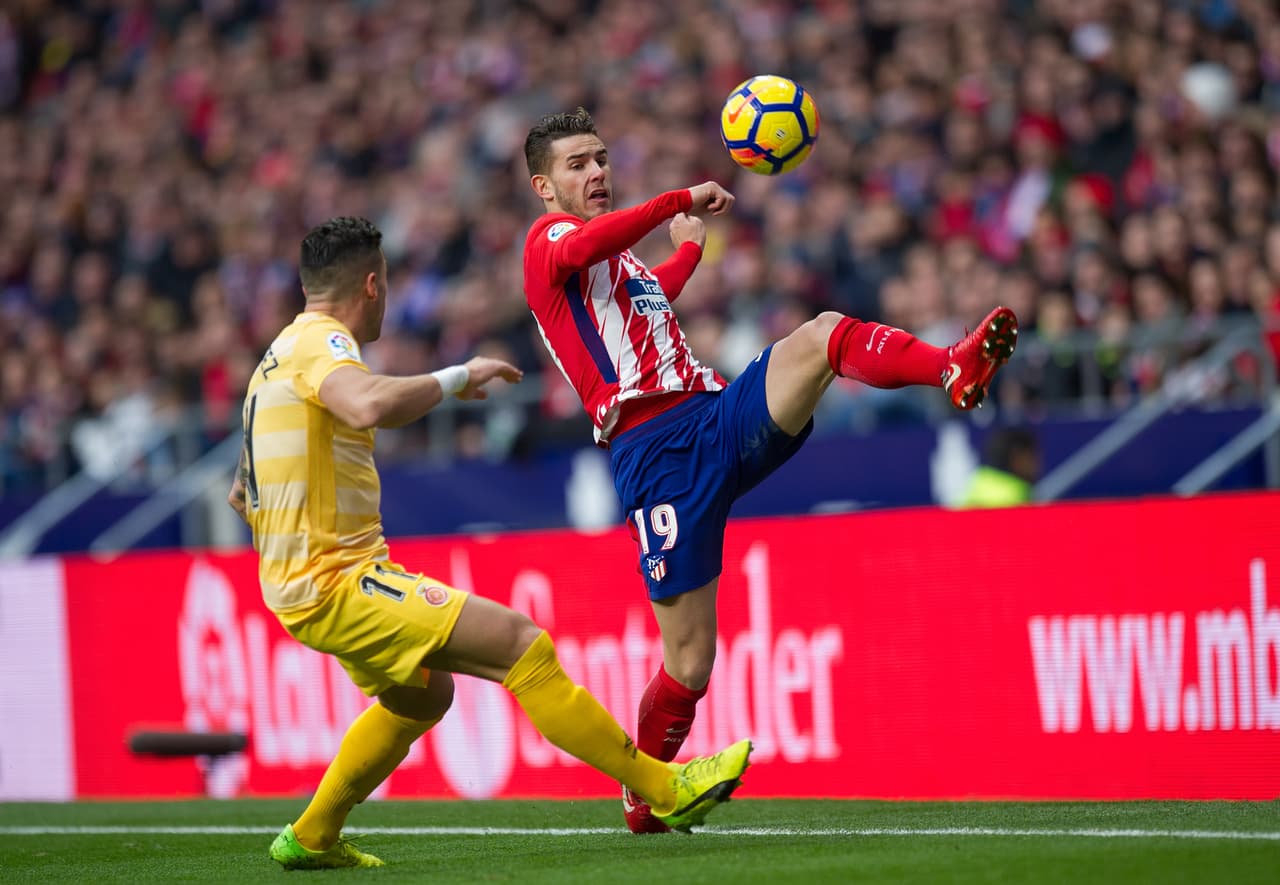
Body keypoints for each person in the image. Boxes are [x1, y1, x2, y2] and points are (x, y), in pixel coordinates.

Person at [521, 109, 1018, 833]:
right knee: (690, 661)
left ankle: (952, 365)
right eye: (577, 165)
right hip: (654, 457)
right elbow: (591, 244)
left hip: (712, 415)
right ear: (544, 186)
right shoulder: (549, 243)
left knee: (819, 336)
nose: (596, 172)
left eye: (600, 158)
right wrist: (677, 203)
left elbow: (644, 304)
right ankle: (645, 791)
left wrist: (686, 256)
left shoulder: (614, 264)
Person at [229, 216, 753, 870]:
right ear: (371, 284)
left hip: (305, 580)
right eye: (386, 285)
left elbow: (239, 492)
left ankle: (312, 833)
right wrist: (456, 379)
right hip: (334, 580)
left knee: (423, 694)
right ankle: (664, 787)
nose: (387, 298)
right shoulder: (323, 342)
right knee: (519, 644)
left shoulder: (272, 359)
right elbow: (363, 404)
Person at [960, 426, 1041, 508]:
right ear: (1017, 457)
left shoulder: (978, 480)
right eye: (1031, 457)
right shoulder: (1020, 494)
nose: (1036, 464)